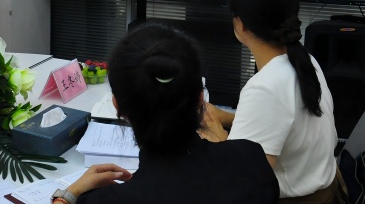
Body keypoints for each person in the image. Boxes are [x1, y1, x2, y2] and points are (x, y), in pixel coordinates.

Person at [52, 23, 279, 204]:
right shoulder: (252, 161)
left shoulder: (105, 200)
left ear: (117, 106)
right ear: (201, 99)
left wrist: (66, 197)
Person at [203, 0, 341, 203]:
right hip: (325, 191)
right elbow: (288, 123)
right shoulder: (306, 61)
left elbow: (244, 183)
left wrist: (216, 136)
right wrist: (227, 118)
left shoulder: (265, 87)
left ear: (241, 24)